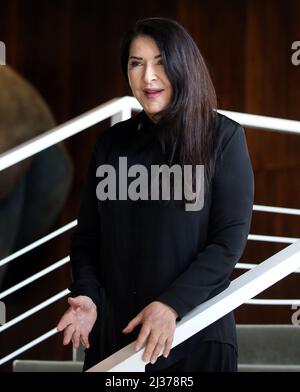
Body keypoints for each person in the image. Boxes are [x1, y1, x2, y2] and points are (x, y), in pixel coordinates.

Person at [57, 17, 254, 372]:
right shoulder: (111, 144)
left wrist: (172, 305)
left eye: (161, 61)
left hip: (195, 335)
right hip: (115, 341)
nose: (148, 76)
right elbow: (87, 237)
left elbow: (227, 242)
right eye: (136, 63)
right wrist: (86, 292)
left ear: (184, 66)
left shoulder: (222, 138)